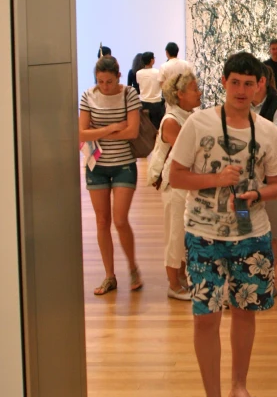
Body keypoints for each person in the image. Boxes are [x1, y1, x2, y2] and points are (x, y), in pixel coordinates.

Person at [169, 52, 277, 397]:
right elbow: (176, 176)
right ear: (223, 83)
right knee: (205, 316)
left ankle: (239, 387)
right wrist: (217, 180)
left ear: (260, 87)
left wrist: (257, 193)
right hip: (203, 234)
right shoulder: (199, 122)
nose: (242, 90)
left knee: (245, 311)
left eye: (249, 83)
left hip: (251, 234)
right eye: (234, 82)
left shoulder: (268, 131)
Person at [79, 56, 143, 295]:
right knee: (101, 221)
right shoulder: (88, 95)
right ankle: (109, 275)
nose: (104, 86)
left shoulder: (129, 94)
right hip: (96, 165)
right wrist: (114, 127)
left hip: (123, 163)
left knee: (120, 219)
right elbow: (81, 133)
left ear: (118, 76)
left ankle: (133, 266)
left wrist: (98, 133)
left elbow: (134, 131)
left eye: (108, 81)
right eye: (100, 81)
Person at [150, 72, 202, 300]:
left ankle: (180, 278)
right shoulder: (171, 120)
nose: (199, 92)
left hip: (183, 184)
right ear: (180, 94)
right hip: (174, 185)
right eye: (194, 89)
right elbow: (189, 151)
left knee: (182, 233)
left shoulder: (188, 116)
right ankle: (173, 284)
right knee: (175, 235)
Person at [250, 62, 277, 275]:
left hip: (272, 183)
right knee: (242, 228)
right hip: (242, 185)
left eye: (248, 82)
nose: (242, 89)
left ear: (262, 82)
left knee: (272, 234)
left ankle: (268, 278)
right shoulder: (241, 106)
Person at [136, 51, 166, 129]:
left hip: (144, 103)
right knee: (157, 127)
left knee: (146, 128)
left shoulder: (138, 73)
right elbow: (162, 85)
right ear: (152, 60)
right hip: (157, 103)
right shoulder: (157, 72)